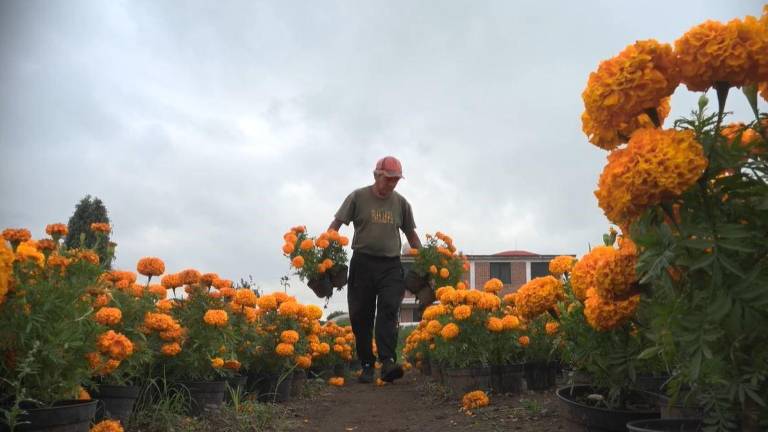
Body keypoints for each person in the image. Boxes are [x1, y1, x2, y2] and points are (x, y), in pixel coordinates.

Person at [328, 156, 422, 383]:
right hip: (362, 263)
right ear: (376, 175)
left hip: (390, 265)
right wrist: (325, 253)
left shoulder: (401, 203)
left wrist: (428, 261)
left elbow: (411, 234)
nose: (392, 184)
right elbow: (336, 225)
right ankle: (367, 364)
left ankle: (388, 362)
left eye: (396, 180)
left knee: (389, 308)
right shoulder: (358, 197)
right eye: (388, 179)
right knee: (361, 315)